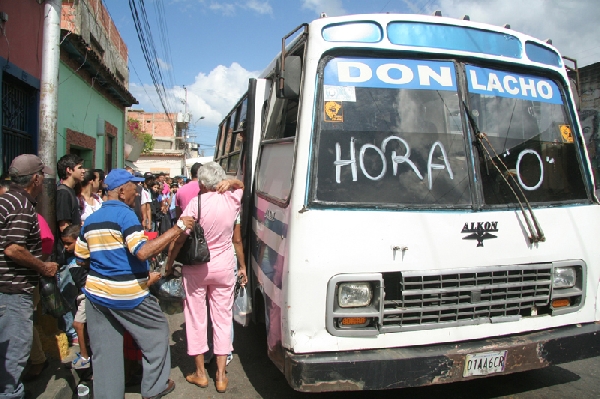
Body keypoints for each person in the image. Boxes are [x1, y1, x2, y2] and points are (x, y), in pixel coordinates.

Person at [75, 169, 194, 399]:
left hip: (96, 295)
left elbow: (81, 257)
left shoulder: (90, 219)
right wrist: (177, 228)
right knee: (157, 332)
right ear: (121, 192)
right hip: (127, 295)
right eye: (133, 186)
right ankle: (154, 388)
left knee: (105, 353)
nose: (136, 191)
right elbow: (142, 252)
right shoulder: (125, 215)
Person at [166, 162, 246, 393]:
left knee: (196, 318)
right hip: (224, 268)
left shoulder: (196, 203)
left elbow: (180, 237)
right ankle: (221, 376)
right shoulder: (232, 199)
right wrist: (230, 182)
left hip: (197, 269)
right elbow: (240, 185)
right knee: (222, 319)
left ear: (201, 183)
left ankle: (200, 373)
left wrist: (170, 263)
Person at [0, 154, 58, 399]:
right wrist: (42, 267)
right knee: (14, 354)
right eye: (42, 175)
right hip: (13, 290)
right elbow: (13, 248)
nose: (43, 179)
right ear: (35, 178)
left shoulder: (5, 201)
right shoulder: (22, 206)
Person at [61, 225, 91, 370]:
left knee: (78, 324)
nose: (66, 247)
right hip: (82, 293)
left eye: (69, 243)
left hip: (88, 293)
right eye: (64, 244)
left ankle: (85, 357)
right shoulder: (69, 256)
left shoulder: (84, 256)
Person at [56, 154, 85, 232]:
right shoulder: (63, 193)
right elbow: (64, 227)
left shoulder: (70, 191)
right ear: (69, 170)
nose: (83, 171)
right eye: (80, 168)